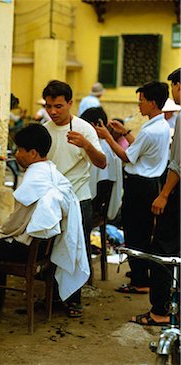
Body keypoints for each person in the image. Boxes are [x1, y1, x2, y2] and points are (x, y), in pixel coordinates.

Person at [0, 124, 90, 317]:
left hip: (26, 249)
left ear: (33, 153)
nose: (17, 154)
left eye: (20, 150)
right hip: (42, 246)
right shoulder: (52, 171)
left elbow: (16, 221)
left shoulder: (34, 178)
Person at [94, 81, 170, 295]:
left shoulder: (152, 130)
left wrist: (108, 136)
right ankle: (140, 274)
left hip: (140, 186)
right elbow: (140, 149)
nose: (139, 106)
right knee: (143, 231)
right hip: (149, 183)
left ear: (152, 103)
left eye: (142, 101)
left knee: (135, 233)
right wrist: (125, 132)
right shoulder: (160, 125)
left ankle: (139, 280)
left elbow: (127, 155)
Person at [42, 80, 106, 315]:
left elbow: (101, 162)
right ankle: (52, 297)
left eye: (58, 106)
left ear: (70, 103)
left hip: (79, 198)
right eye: (49, 106)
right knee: (48, 246)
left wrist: (86, 145)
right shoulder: (45, 128)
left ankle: (74, 299)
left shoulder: (84, 128)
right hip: (51, 198)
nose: (53, 112)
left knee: (76, 249)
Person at [129, 68, 180, 326]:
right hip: (160, 184)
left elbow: (178, 165)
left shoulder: (174, 122)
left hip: (167, 189)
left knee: (162, 249)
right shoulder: (162, 125)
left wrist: (164, 194)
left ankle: (160, 311)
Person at [80, 107, 122, 222]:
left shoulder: (98, 149)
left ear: (92, 126)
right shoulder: (107, 146)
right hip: (100, 206)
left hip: (93, 206)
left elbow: (93, 186)